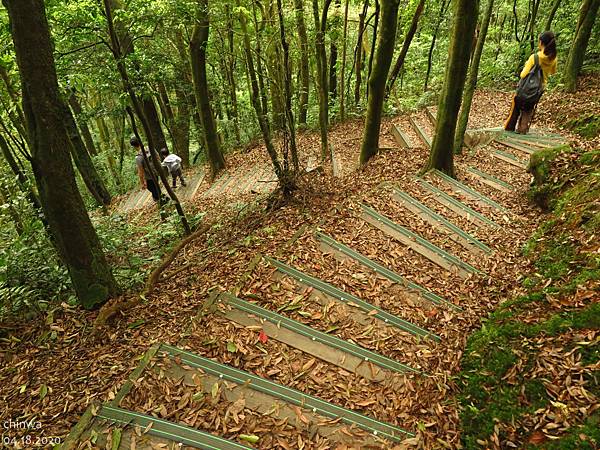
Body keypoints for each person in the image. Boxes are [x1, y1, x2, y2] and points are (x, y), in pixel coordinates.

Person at [505, 31, 557, 134]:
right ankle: (522, 130)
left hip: (525, 88)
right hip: (538, 89)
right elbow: (553, 72)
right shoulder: (553, 58)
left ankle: (509, 128)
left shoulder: (535, 57)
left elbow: (523, 75)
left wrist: (527, 65)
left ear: (541, 42)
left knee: (516, 106)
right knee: (528, 109)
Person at [130, 136, 161, 202]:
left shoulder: (138, 157)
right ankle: (159, 200)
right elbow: (158, 157)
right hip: (155, 173)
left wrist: (142, 182)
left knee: (154, 191)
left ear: (134, 146)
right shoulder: (150, 148)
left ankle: (160, 201)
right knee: (156, 188)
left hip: (149, 177)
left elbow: (140, 171)